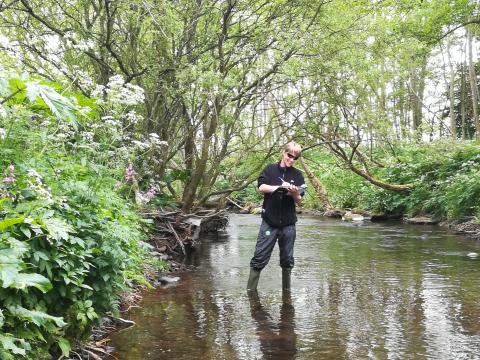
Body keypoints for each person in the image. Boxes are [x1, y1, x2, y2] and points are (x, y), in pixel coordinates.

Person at [247, 142, 305, 292]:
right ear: (283, 153)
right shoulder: (270, 170)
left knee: (287, 260)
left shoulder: (297, 175)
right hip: (269, 223)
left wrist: (294, 193)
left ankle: (287, 295)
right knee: (259, 258)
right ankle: (250, 292)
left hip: (288, 224)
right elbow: (261, 187)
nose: (291, 159)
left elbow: (299, 201)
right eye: (289, 155)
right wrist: (279, 187)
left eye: (295, 157)